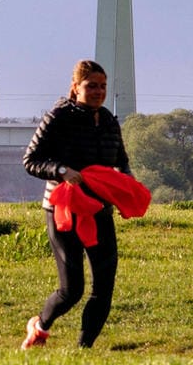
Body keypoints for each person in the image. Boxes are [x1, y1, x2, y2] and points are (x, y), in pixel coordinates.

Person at [20, 59, 135, 350]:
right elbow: (31, 160)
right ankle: (40, 326)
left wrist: (126, 188)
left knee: (104, 286)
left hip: (98, 210)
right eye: (91, 86)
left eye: (102, 86)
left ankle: (84, 350)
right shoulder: (58, 117)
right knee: (72, 290)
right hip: (63, 212)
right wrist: (61, 171)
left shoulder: (108, 119)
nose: (98, 92)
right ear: (75, 87)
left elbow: (120, 160)